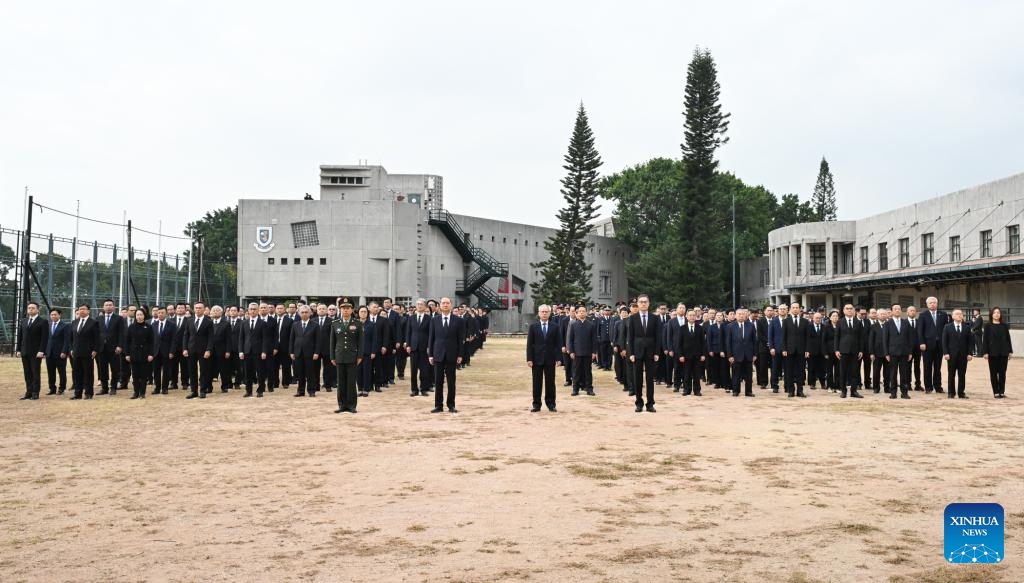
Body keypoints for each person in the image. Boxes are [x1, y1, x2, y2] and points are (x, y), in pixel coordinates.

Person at [427, 297, 466, 413]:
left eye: (447, 303)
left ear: (451, 305)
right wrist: (430, 355)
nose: (445, 305)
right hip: (438, 354)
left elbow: (460, 339)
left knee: (451, 381)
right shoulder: (434, 320)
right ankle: (438, 405)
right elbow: (431, 338)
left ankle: (451, 405)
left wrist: (460, 355)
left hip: (452, 354)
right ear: (440, 305)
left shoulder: (458, 321)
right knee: (438, 381)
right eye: (443, 303)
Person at [626, 294, 662, 413]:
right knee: (637, 379)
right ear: (638, 304)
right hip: (637, 352)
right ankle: (639, 403)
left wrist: (657, 352)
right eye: (641, 302)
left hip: (651, 352)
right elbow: (630, 337)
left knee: (650, 379)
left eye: (645, 302)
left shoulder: (655, 318)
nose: (643, 304)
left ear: (649, 303)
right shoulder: (632, 318)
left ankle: (650, 404)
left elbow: (658, 337)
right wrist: (630, 353)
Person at [526, 304, 563, 412]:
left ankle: (551, 403)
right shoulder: (533, 327)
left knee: (550, 382)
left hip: (550, 359)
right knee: (536, 382)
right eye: (542, 312)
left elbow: (558, 343)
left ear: (549, 313)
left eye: (546, 312)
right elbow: (529, 344)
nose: (544, 314)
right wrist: (529, 359)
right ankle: (536, 404)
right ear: (538, 313)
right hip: (536, 359)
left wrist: (559, 358)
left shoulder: (555, 327)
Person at [330, 298, 363, 413]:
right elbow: (332, 342)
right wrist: (332, 357)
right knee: (341, 382)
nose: (345, 311)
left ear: (352, 310)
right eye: (343, 308)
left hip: (352, 356)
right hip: (339, 356)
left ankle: (352, 405)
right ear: (340, 309)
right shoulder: (335, 323)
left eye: (348, 308)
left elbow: (360, 342)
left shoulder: (357, 323)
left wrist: (359, 356)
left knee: (351, 382)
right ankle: (342, 405)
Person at [16, 302, 48, 400]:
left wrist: (42, 351)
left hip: (36, 352)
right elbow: (20, 336)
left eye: (33, 308)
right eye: (29, 308)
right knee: (27, 373)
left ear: (38, 310)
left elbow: (44, 338)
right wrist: (18, 349)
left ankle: (35, 393)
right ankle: (28, 392)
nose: (30, 310)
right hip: (24, 351)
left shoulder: (43, 322)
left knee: (35, 373)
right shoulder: (24, 321)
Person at [182, 302, 215, 399]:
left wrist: (208, 350)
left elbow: (211, 338)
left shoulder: (208, 321)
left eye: (200, 308)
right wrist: (184, 348)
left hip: (204, 350)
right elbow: (186, 336)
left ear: (204, 309)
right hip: (191, 349)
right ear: (194, 309)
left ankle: (203, 390)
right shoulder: (189, 320)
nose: (198, 309)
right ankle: (194, 391)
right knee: (192, 371)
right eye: (196, 308)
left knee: (204, 371)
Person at [882, 304, 915, 399]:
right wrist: (886, 353)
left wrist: (910, 352)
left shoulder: (906, 323)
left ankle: (904, 392)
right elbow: (885, 340)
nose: (897, 310)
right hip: (892, 353)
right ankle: (893, 392)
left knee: (904, 373)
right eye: (895, 309)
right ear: (891, 311)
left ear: (901, 311)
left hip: (904, 352)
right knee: (893, 373)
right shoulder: (887, 324)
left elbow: (910, 339)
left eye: (899, 309)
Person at [69, 304, 102, 399]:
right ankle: (77, 393)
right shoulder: (74, 322)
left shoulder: (93, 322)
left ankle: (88, 393)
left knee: (88, 373)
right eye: (80, 309)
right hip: (76, 352)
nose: (81, 311)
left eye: (83, 309)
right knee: (77, 373)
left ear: (88, 311)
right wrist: (71, 349)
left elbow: (97, 338)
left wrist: (95, 350)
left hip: (88, 352)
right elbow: (71, 338)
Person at [239, 303, 271, 397]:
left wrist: (264, 351)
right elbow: (241, 338)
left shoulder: (263, 323)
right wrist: (241, 351)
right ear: (248, 311)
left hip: (259, 352)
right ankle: (248, 391)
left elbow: (265, 339)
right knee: (248, 373)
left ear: (258, 311)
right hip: (247, 351)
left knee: (260, 372)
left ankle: (260, 390)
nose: (253, 311)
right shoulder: (244, 323)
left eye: (254, 309)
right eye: (251, 309)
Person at [566, 305, 599, 396]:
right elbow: (571, 340)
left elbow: (594, 340)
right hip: (577, 352)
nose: (581, 313)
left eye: (583, 311)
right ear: (577, 313)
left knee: (588, 371)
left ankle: (589, 388)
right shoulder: (574, 325)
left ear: (586, 313)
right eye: (579, 311)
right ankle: (575, 389)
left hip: (588, 352)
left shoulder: (591, 325)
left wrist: (594, 352)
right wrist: (571, 351)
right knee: (576, 371)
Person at [942, 309, 975, 399]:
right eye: (957, 314)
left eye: (960, 314)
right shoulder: (947, 327)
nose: (959, 315)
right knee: (951, 374)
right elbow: (944, 342)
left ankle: (961, 393)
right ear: (952, 316)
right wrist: (945, 353)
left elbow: (970, 342)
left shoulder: (967, 327)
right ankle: (951, 392)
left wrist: (970, 353)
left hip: (963, 356)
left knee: (962, 374)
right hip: (951, 355)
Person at [725, 308, 757, 397]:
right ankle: (736, 391)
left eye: (743, 314)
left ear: (745, 315)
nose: (741, 316)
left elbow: (754, 341)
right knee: (736, 374)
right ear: (735, 315)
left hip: (748, 354)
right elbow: (728, 342)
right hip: (736, 354)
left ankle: (748, 391)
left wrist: (754, 354)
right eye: (739, 314)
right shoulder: (730, 326)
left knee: (749, 375)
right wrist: (730, 355)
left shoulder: (750, 326)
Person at [919, 297, 949, 395]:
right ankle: (928, 387)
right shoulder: (923, 315)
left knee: (937, 367)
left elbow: (946, 330)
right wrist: (922, 342)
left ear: (937, 303)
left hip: (939, 346)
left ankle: (938, 386)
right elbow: (920, 331)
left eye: (934, 303)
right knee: (927, 367)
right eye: (930, 303)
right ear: (927, 304)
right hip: (927, 346)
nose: (932, 304)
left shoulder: (943, 315)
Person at [404, 299, 433, 397]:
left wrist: (430, 346)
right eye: (418, 304)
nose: (419, 306)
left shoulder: (429, 318)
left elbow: (431, 334)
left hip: (424, 348)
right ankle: (414, 389)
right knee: (413, 370)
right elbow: (408, 332)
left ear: (425, 307)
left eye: (421, 304)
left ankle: (423, 389)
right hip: (413, 347)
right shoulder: (411, 318)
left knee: (424, 370)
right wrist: (408, 344)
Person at [290, 305, 320, 397]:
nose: (304, 314)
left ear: (310, 313)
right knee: (300, 373)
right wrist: (291, 352)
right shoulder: (295, 325)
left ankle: (311, 391)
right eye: (302, 312)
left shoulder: (315, 325)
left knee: (310, 373)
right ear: (299, 313)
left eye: (306, 312)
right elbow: (291, 339)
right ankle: (300, 391)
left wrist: (316, 352)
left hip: (310, 353)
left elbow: (318, 340)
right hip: (298, 352)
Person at [834, 303, 864, 399]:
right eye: (847, 308)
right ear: (843, 310)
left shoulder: (858, 322)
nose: (849, 310)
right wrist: (836, 350)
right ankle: (843, 391)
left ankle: (854, 391)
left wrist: (861, 350)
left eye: (851, 308)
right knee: (843, 372)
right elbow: (836, 337)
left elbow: (861, 338)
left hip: (855, 351)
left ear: (854, 310)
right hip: (843, 351)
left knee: (854, 372)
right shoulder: (840, 322)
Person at [124, 308, 155, 399]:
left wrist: (151, 354)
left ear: (144, 316)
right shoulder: (131, 327)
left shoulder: (148, 327)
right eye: (137, 315)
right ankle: (135, 392)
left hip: (145, 353)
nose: (139, 316)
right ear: (135, 316)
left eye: (141, 314)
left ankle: (142, 393)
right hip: (134, 353)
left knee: (143, 375)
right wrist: (127, 354)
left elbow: (152, 341)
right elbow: (127, 341)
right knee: (135, 375)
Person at [981, 306, 1012, 398]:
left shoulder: (1004, 325)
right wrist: (985, 352)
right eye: (995, 312)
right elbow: (985, 340)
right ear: (992, 314)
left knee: (1002, 372)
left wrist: (1010, 351)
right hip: (992, 352)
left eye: (998, 312)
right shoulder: (987, 326)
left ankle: (1002, 391)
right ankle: (996, 392)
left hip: (1004, 352)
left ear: (1000, 314)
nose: (996, 314)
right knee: (993, 373)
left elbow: (1008, 339)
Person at [96, 299, 126, 395]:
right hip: (101, 348)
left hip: (114, 349)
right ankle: (104, 388)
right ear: (103, 307)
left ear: (114, 307)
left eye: (110, 305)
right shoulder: (98, 319)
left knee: (115, 369)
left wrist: (120, 346)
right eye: (106, 305)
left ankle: (113, 388)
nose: (108, 306)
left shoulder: (119, 318)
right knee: (102, 369)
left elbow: (122, 334)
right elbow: (96, 334)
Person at [674, 309, 706, 396]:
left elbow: (703, 343)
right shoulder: (682, 328)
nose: (692, 317)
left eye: (693, 315)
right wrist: (680, 355)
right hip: (686, 355)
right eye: (690, 315)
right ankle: (686, 390)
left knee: (696, 374)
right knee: (686, 374)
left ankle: (697, 390)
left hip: (697, 355)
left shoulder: (700, 328)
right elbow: (679, 343)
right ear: (686, 317)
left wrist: (703, 354)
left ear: (695, 317)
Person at [782, 302, 808, 398]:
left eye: (797, 307)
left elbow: (807, 337)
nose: (795, 309)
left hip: (801, 350)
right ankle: (791, 390)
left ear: (800, 309)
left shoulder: (805, 322)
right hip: (789, 350)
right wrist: (784, 349)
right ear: (790, 309)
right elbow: (783, 337)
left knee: (801, 371)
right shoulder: (786, 321)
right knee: (789, 371)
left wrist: (807, 350)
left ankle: (800, 390)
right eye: (794, 307)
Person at [44, 308, 70, 395]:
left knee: (61, 372)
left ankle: (61, 388)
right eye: (52, 315)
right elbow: (47, 339)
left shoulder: (65, 326)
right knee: (50, 372)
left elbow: (67, 340)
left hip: (60, 353)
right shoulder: (48, 325)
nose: (53, 316)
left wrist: (64, 351)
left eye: (55, 314)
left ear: (59, 315)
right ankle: (52, 388)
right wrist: (45, 351)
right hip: (49, 353)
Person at [152, 307, 176, 395]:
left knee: (166, 371)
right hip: (155, 352)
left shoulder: (172, 325)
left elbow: (174, 339)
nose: (160, 314)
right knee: (156, 371)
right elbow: (151, 339)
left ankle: (165, 388)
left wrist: (172, 351)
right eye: (159, 313)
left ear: (166, 314)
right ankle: (157, 388)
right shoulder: (153, 324)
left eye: (162, 313)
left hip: (167, 352)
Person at [209, 306, 232, 392]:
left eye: (217, 310)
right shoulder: (209, 322)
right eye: (213, 310)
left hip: (222, 350)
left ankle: (224, 386)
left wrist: (228, 351)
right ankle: (209, 387)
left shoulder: (226, 324)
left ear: (221, 312)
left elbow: (228, 339)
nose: (215, 312)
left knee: (223, 370)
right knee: (209, 369)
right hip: (210, 350)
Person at [867, 308, 889, 394]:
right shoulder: (873, 326)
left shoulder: (889, 324)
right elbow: (871, 340)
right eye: (881, 314)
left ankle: (887, 387)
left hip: (888, 352)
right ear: (878, 315)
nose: (883, 315)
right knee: (876, 371)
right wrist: (871, 352)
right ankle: (876, 387)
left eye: (884, 314)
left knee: (887, 372)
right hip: (877, 353)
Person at [803, 311, 826, 391]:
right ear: (813, 318)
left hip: (822, 352)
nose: (818, 319)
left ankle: (823, 384)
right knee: (811, 368)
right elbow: (806, 339)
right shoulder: (808, 327)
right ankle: (812, 383)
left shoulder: (824, 327)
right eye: (816, 318)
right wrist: (807, 350)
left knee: (822, 368)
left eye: (820, 318)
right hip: (812, 351)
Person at [755, 306, 772, 389]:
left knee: (774, 366)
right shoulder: (760, 321)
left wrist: (772, 343)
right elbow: (760, 334)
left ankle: (774, 383)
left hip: (774, 348)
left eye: (771, 310)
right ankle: (763, 382)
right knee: (763, 366)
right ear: (764, 312)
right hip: (763, 347)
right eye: (768, 310)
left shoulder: (775, 320)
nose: (770, 312)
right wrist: (768, 342)